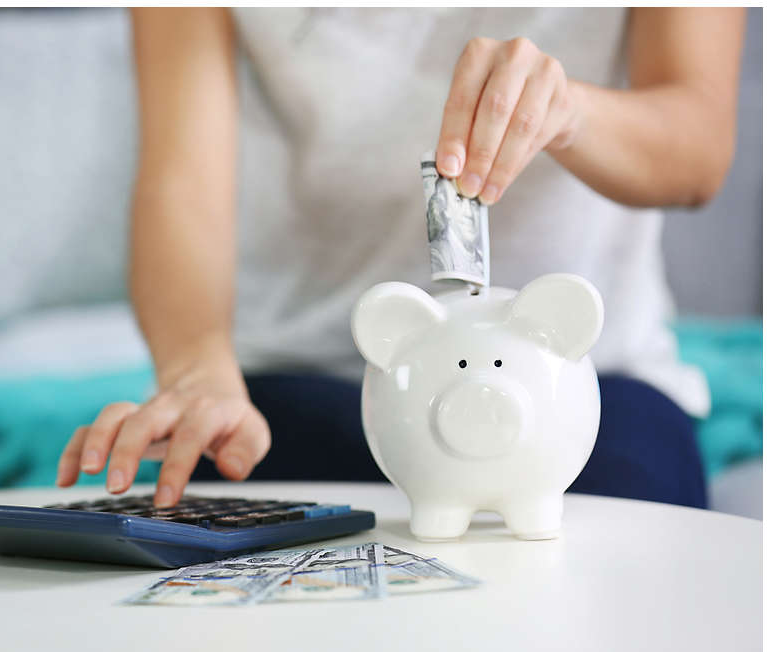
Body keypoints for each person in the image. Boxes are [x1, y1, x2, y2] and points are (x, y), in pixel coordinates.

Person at [57, 8, 746, 509]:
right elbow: (182, 177)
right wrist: (195, 370)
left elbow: (697, 148)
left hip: (586, 379)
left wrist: (571, 114)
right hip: (299, 378)